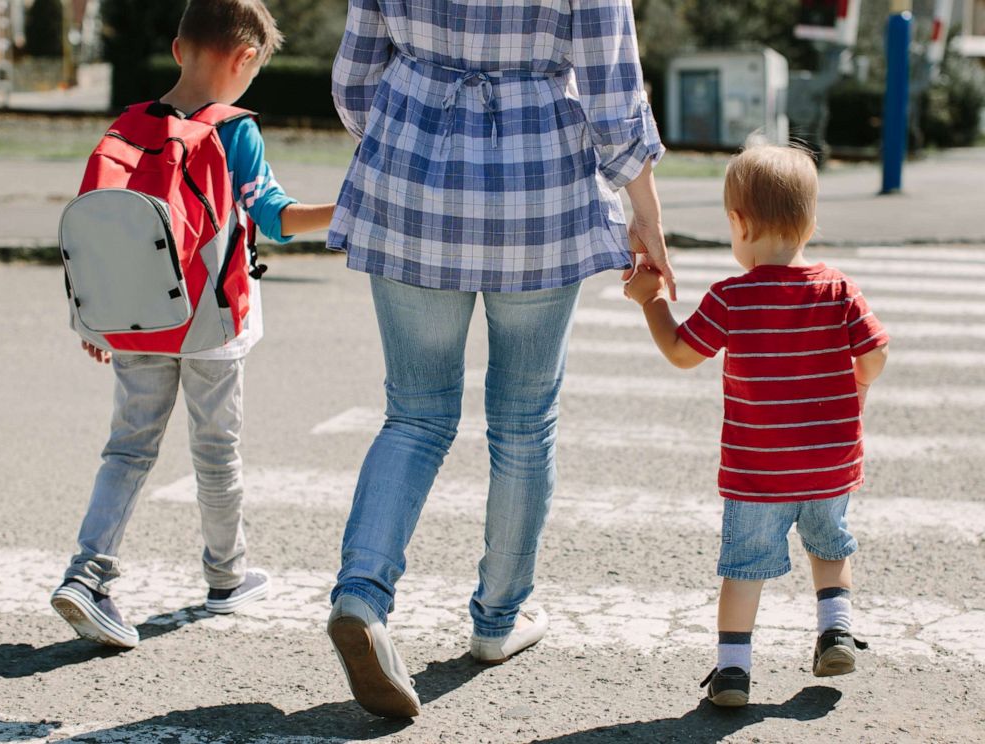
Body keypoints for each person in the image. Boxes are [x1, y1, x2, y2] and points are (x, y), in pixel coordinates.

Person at [326, 0, 675, 719]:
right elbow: (612, 92)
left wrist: (409, 143)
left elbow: (356, 78)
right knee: (523, 423)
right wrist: (646, 210)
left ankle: (361, 596)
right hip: (538, 196)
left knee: (414, 416)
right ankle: (498, 621)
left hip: (413, 186)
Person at [50, 0, 335, 649]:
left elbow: (98, 232)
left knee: (126, 449)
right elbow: (274, 219)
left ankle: (87, 573)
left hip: (133, 320)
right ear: (246, 60)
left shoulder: (124, 128)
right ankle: (226, 574)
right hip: (212, 324)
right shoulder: (234, 131)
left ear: (178, 50)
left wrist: (95, 322)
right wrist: (343, 213)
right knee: (215, 451)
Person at [624, 143, 890, 707]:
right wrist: (859, 390)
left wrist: (650, 300)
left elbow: (679, 352)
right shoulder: (839, 289)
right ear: (811, 224)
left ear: (738, 224)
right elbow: (875, 355)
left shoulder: (732, 297)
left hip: (756, 471)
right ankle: (835, 632)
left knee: (744, 569)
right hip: (829, 463)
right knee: (830, 548)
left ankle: (733, 672)